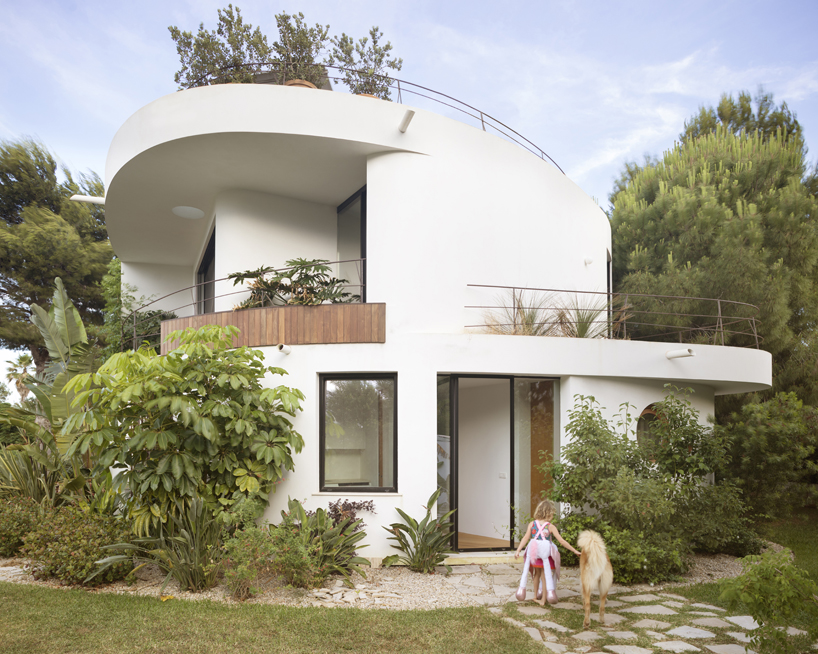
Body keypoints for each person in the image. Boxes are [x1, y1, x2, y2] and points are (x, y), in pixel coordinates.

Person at [514, 499, 580, 606]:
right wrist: (574, 550)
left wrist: (518, 550)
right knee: (545, 576)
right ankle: (543, 600)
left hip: (535, 553)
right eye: (552, 513)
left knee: (536, 574)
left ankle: (535, 596)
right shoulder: (550, 526)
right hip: (545, 555)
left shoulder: (532, 524)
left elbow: (525, 538)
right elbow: (562, 541)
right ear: (549, 513)